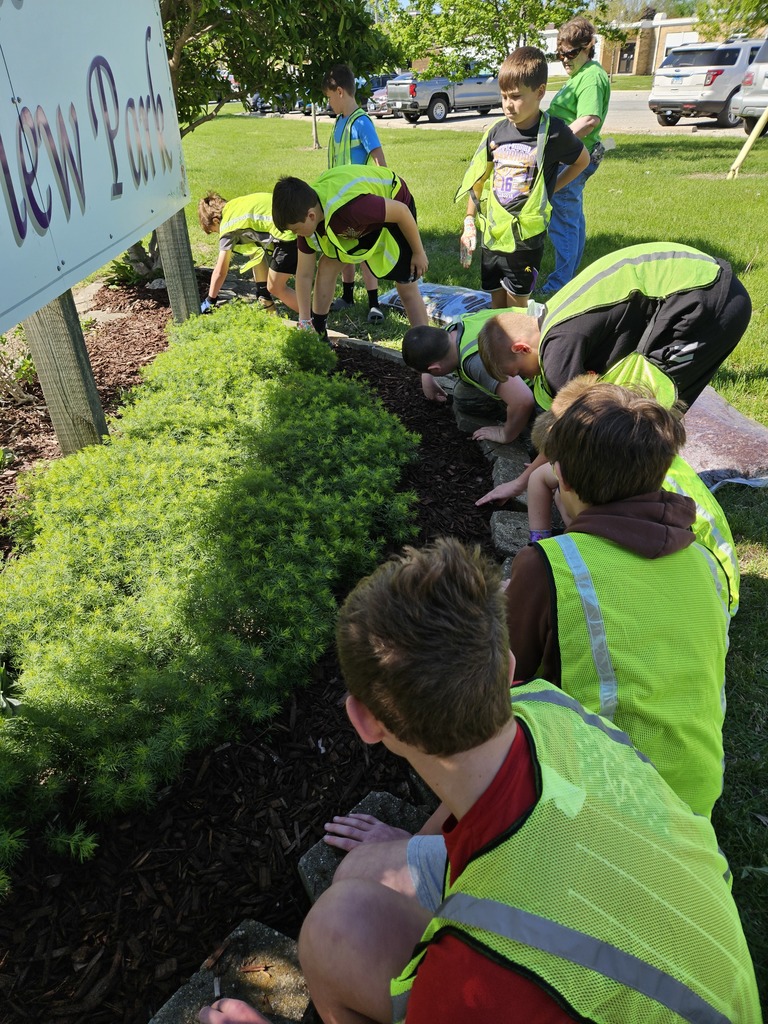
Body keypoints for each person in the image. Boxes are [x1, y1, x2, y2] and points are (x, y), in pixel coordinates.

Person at [199, 538, 761, 1024]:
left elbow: (499, 971)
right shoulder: (548, 706)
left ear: (364, 721)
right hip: (682, 943)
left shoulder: (477, 977)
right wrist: (406, 847)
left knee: (338, 928)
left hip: (552, 970)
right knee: (352, 895)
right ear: (510, 667)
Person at [503, 383, 730, 817]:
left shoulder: (550, 565)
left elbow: (500, 681)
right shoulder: (703, 561)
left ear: (561, 476)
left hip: (606, 802)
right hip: (695, 797)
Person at [477, 241, 752, 495]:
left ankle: (639, 495)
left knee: (639, 413)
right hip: (706, 284)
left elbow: (570, 421)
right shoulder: (555, 318)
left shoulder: (557, 348)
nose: (526, 379)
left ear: (521, 348)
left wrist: (522, 483)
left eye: (518, 372)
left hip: (705, 300)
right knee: (626, 408)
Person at [478, 372, 741, 617]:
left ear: (563, 472)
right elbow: (539, 477)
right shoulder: (641, 465)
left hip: (714, 593)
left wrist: (539, 575)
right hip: (695, 571)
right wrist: (539, 544)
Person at [456, 47, 588, 308]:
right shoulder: (496, 132)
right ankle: (495, 347)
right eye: (504, 96)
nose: (508, 104)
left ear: (539, 92)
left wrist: (552, 188)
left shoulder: (554, 133)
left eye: (516, 96)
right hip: (493, 237)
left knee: (517, 306)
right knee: (495, 302)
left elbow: (582, 160)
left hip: (525, 242)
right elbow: (480, 177)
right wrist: (469, 219)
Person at [271, 166, 429, 344]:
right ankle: (320, 334)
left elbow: (401, 212)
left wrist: (418, 252)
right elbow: (304, 274)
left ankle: (425, 350)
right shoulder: (307, 218)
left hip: (395, 203)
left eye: (296, 230)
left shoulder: (353, 208)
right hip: (357, 225)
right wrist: (305, 320)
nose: (296, 235)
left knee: (406, 286)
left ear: (311, 216)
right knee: (327, 266)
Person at [540, 17, 611, 296]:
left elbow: (589, 119)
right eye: (561, 53)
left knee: (563, 220)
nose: (565, 59)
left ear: (588, 46)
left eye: (571, 53)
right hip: (576, 154)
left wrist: (558, 144)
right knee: (572, 217)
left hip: (575, 158)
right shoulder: (582, 74)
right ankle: (570, 278)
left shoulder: (591, 76)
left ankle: (560, 286)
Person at [402, 309, 534, 443]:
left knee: (469, 401)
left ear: (436, 368)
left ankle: (525, 432)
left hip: (545, 376)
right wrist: (427, 377)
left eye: (428, 371)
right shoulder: (453, 328)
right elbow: (429, 343)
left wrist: (506, 434)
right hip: (533, 326)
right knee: (464, 396)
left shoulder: (477, 362)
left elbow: (523, 401)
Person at [322, 64, 388, 324]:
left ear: (340, 92)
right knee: (343, 247)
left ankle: (374, 303)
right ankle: (348, 296)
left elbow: (380, 162)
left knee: (365, 250)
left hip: (359, 200)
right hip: (339, 200)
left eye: (328, 97)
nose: (328, 103)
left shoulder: (361, 123)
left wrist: (383, 195)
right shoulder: (339, 122)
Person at [197, 192, 299, 314]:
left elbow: (220, 271)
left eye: (214, 231)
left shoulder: (228, 226)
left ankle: (313, 320)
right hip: (297, 217)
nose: (219, 234)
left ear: (215, 221)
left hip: (287, 233)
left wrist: (211, 299)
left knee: (276, 287)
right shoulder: (235, 207)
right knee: (303, 277)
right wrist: (263, 293)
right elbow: (256, 254)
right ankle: (319, 309)